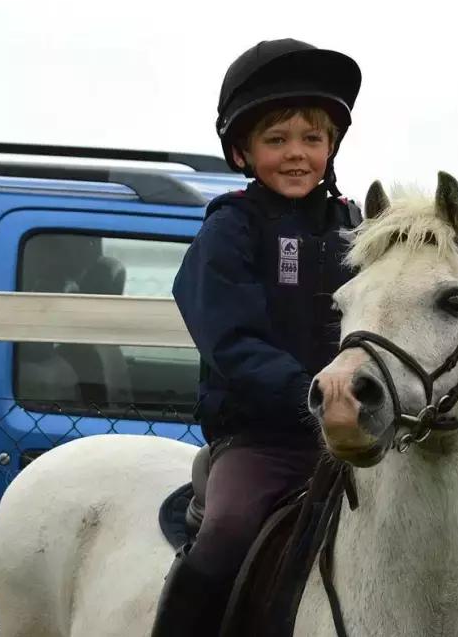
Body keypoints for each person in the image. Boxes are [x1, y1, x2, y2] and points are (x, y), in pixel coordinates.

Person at [150, 38, 363, 637]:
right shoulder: (229, 230)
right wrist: (311, 393)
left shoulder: (357, 230)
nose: (297, 154)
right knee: (226, 534)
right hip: (262, 441)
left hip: (353, 437)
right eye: (277, 140)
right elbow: (231, 340)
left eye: (312, 139)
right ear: (242, 151)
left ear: (331, 147)